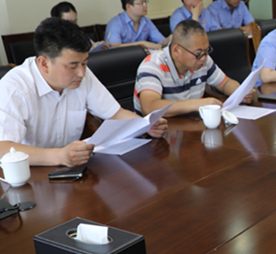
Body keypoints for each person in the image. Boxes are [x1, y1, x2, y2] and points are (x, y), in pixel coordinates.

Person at [0, 18, 168, 167]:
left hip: (73, 169)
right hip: (31, 174)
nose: (81, 73)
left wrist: (145, 125)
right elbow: (3, 148)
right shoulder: (15, 88)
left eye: (85, 63)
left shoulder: (82, 75)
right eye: (73, 66)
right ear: (44, 64)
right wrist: (59, 156)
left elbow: (115, 114)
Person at [134, 19, 252, 117]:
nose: (204, 58)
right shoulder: (152, 65)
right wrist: (196, 104)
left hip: (189, 126)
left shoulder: (203, 61)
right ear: (177, 50)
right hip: (157, 132)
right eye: (198, 53)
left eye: (207, 51)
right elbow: (149, 107)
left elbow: (225, 83)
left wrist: (240, 92)